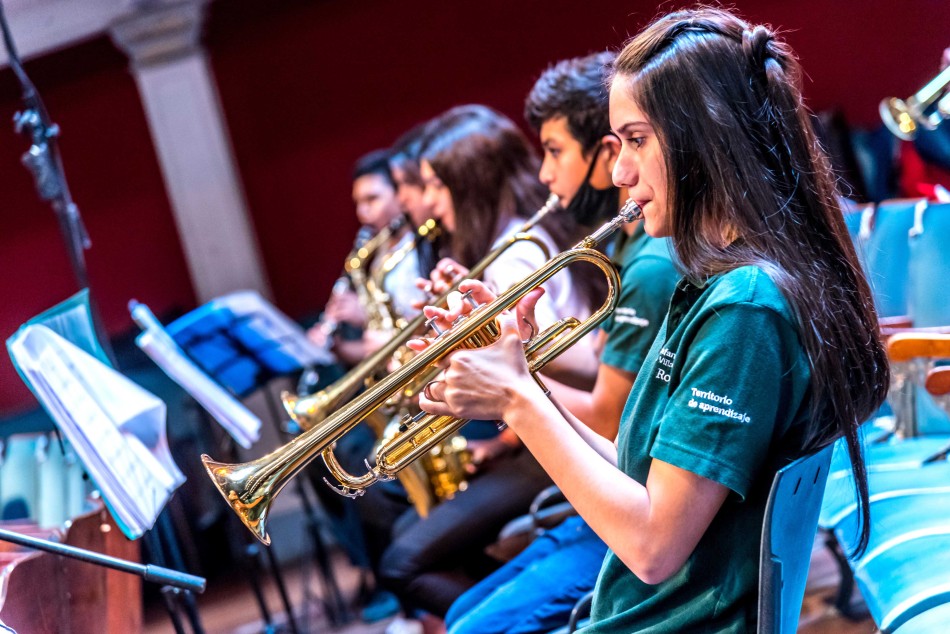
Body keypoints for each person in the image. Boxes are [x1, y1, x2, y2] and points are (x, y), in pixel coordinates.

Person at [416, 8, 889, 632]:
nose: (619, 173)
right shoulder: (715, 282)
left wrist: (516, 401)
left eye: (636, 140)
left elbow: (652, 547)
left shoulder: (744, 308)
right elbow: (636, 468)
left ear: (706, 139)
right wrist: (521, 382)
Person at [444, 51, 680, 634]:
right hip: (625, 495)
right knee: (458, 615)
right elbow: (604, 378)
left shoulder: (649, 266)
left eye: (554, 151)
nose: (545, 175)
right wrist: (510, 350)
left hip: (638, 512)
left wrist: (514, 385)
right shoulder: (627, 251)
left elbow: (609, 420)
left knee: (466, 625)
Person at [378, 104, 601, 631]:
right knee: (407, 535)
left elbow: (555, 364)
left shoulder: (514, 256)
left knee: (402, 561)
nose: (430, 201)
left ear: (471, 182)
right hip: (544, 432)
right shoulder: (508, 247)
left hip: (558, 442)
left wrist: (468, 345)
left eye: (437, 185)